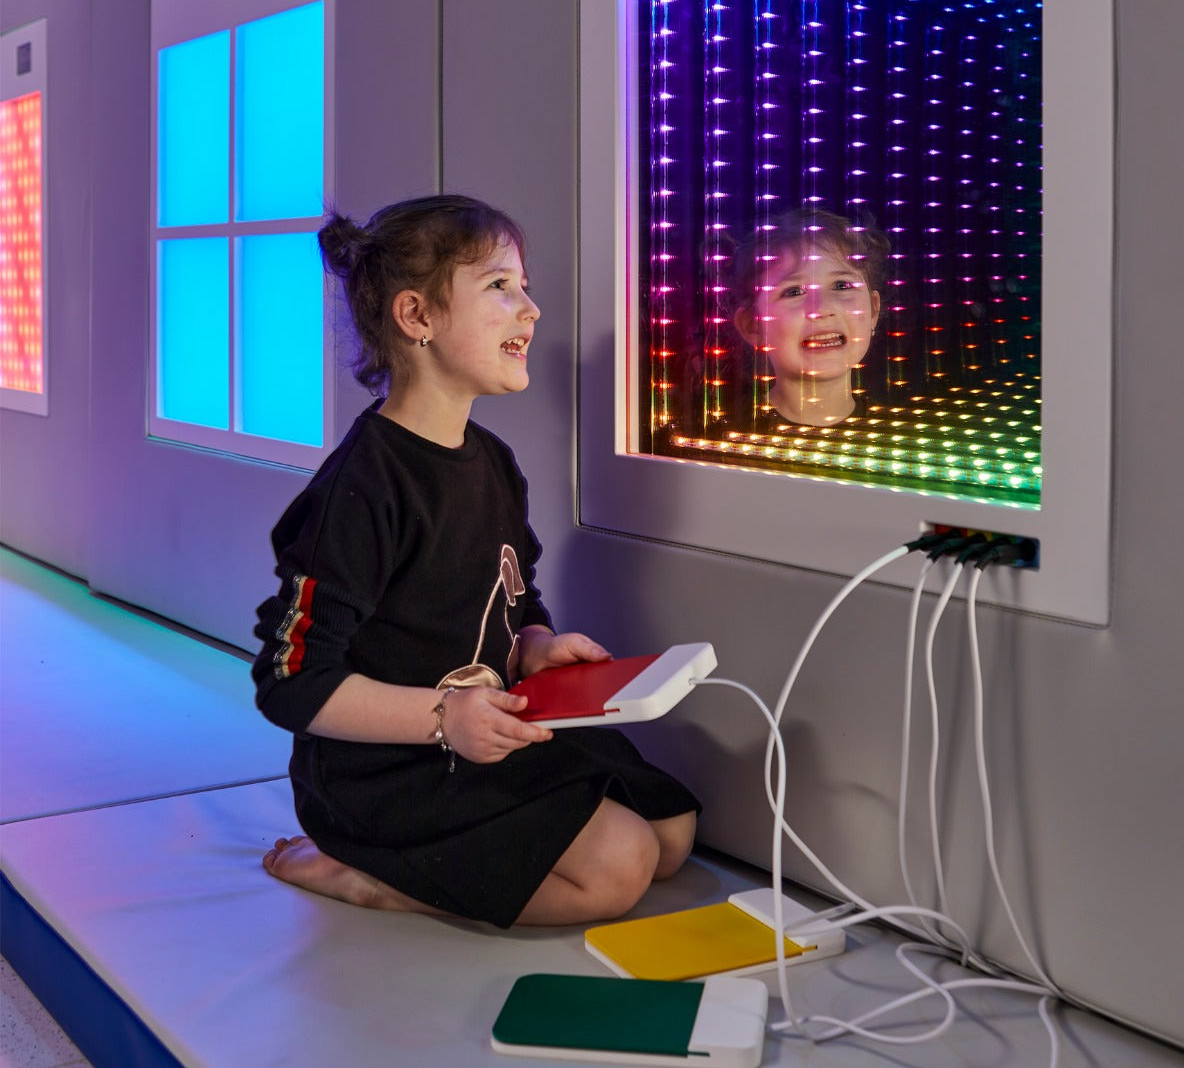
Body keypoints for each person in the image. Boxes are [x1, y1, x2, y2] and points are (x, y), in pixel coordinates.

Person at [251, 194, 699, 929]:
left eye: (523, 286)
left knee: (672, 832)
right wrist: (440, 717)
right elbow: (289, 682)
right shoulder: (361, 490)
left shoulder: (494, 462)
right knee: (619, 869)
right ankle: (373, 879)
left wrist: (536, 647)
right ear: (416, 317)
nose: (530, 309)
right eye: (499, 286)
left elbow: (512, 600)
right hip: (389, 771)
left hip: (483, 734)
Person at [731, 209, 888, 427]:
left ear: (873, 310)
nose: (821, 309)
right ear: (753, 326)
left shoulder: (899, 432)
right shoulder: (725, 438)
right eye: (794, 291)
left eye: (841, 286)